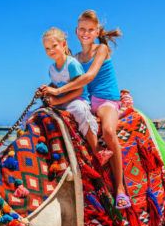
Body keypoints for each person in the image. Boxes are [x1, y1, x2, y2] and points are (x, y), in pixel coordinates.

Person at [41, 10, 130, 209]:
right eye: (82, 29)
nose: (86, 33)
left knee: (107, 131)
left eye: (90, 29)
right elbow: (66, 77)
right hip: (87, 101)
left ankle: (120, 188)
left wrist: (61, 90)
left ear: (97, 31)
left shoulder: (102, 50)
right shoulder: (76, 57)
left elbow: (88, 77)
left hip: (106, 101)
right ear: (76, 31)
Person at [41, 27, 99, 155]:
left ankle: (96, 150)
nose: (51, 50)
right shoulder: (51, 69)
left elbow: (79, 90)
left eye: (54, 46)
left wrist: (58, 100)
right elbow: (56, 87)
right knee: (36, 114)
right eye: (47, 48)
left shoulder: (72, 64)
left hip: (77, 99)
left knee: (79, 110)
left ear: (63, 44)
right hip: (62, 101)